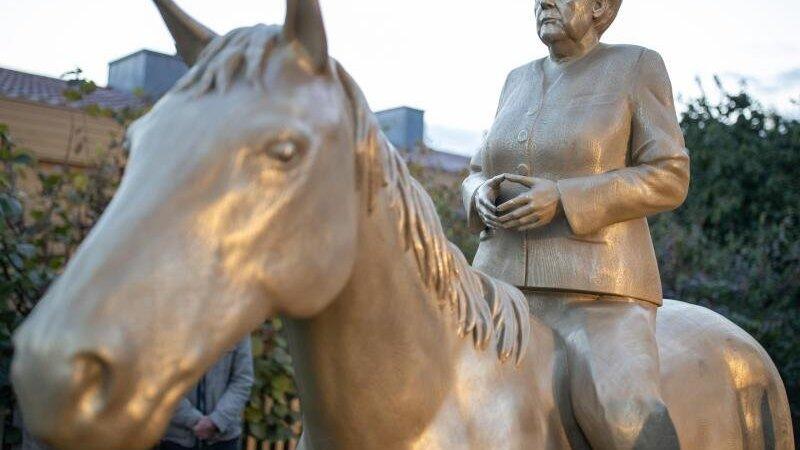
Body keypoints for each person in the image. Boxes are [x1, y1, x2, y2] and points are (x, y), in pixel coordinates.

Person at [462, 0, 689, 448]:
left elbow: (670, 176)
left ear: (601, 6)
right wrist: (476, 194)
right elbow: (475, 168)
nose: (543, 2)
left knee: (623, 413)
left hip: (597, 291)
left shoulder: (636, 66)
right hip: (493, 286)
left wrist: (564, 197)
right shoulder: (517, 79)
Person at [159, 337, 254, 450]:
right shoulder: (167, 326)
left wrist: (217, 420)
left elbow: (242, 380)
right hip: (177, 439)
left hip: (224, 439)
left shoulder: (238, 325)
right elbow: (161, 383)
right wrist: (193, 420)